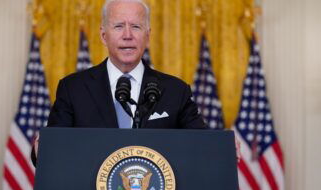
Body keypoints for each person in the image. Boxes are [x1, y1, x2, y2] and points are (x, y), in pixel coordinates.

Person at [32, 0, 208, 165]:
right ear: (103, 36)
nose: (127, 35)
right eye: (118, 26)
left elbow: (204, 145)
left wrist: (225, 146)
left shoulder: (176, 91)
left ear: (147, 36)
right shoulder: (73, 89)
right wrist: (41, 150)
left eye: (136, 27)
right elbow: (53, 151)